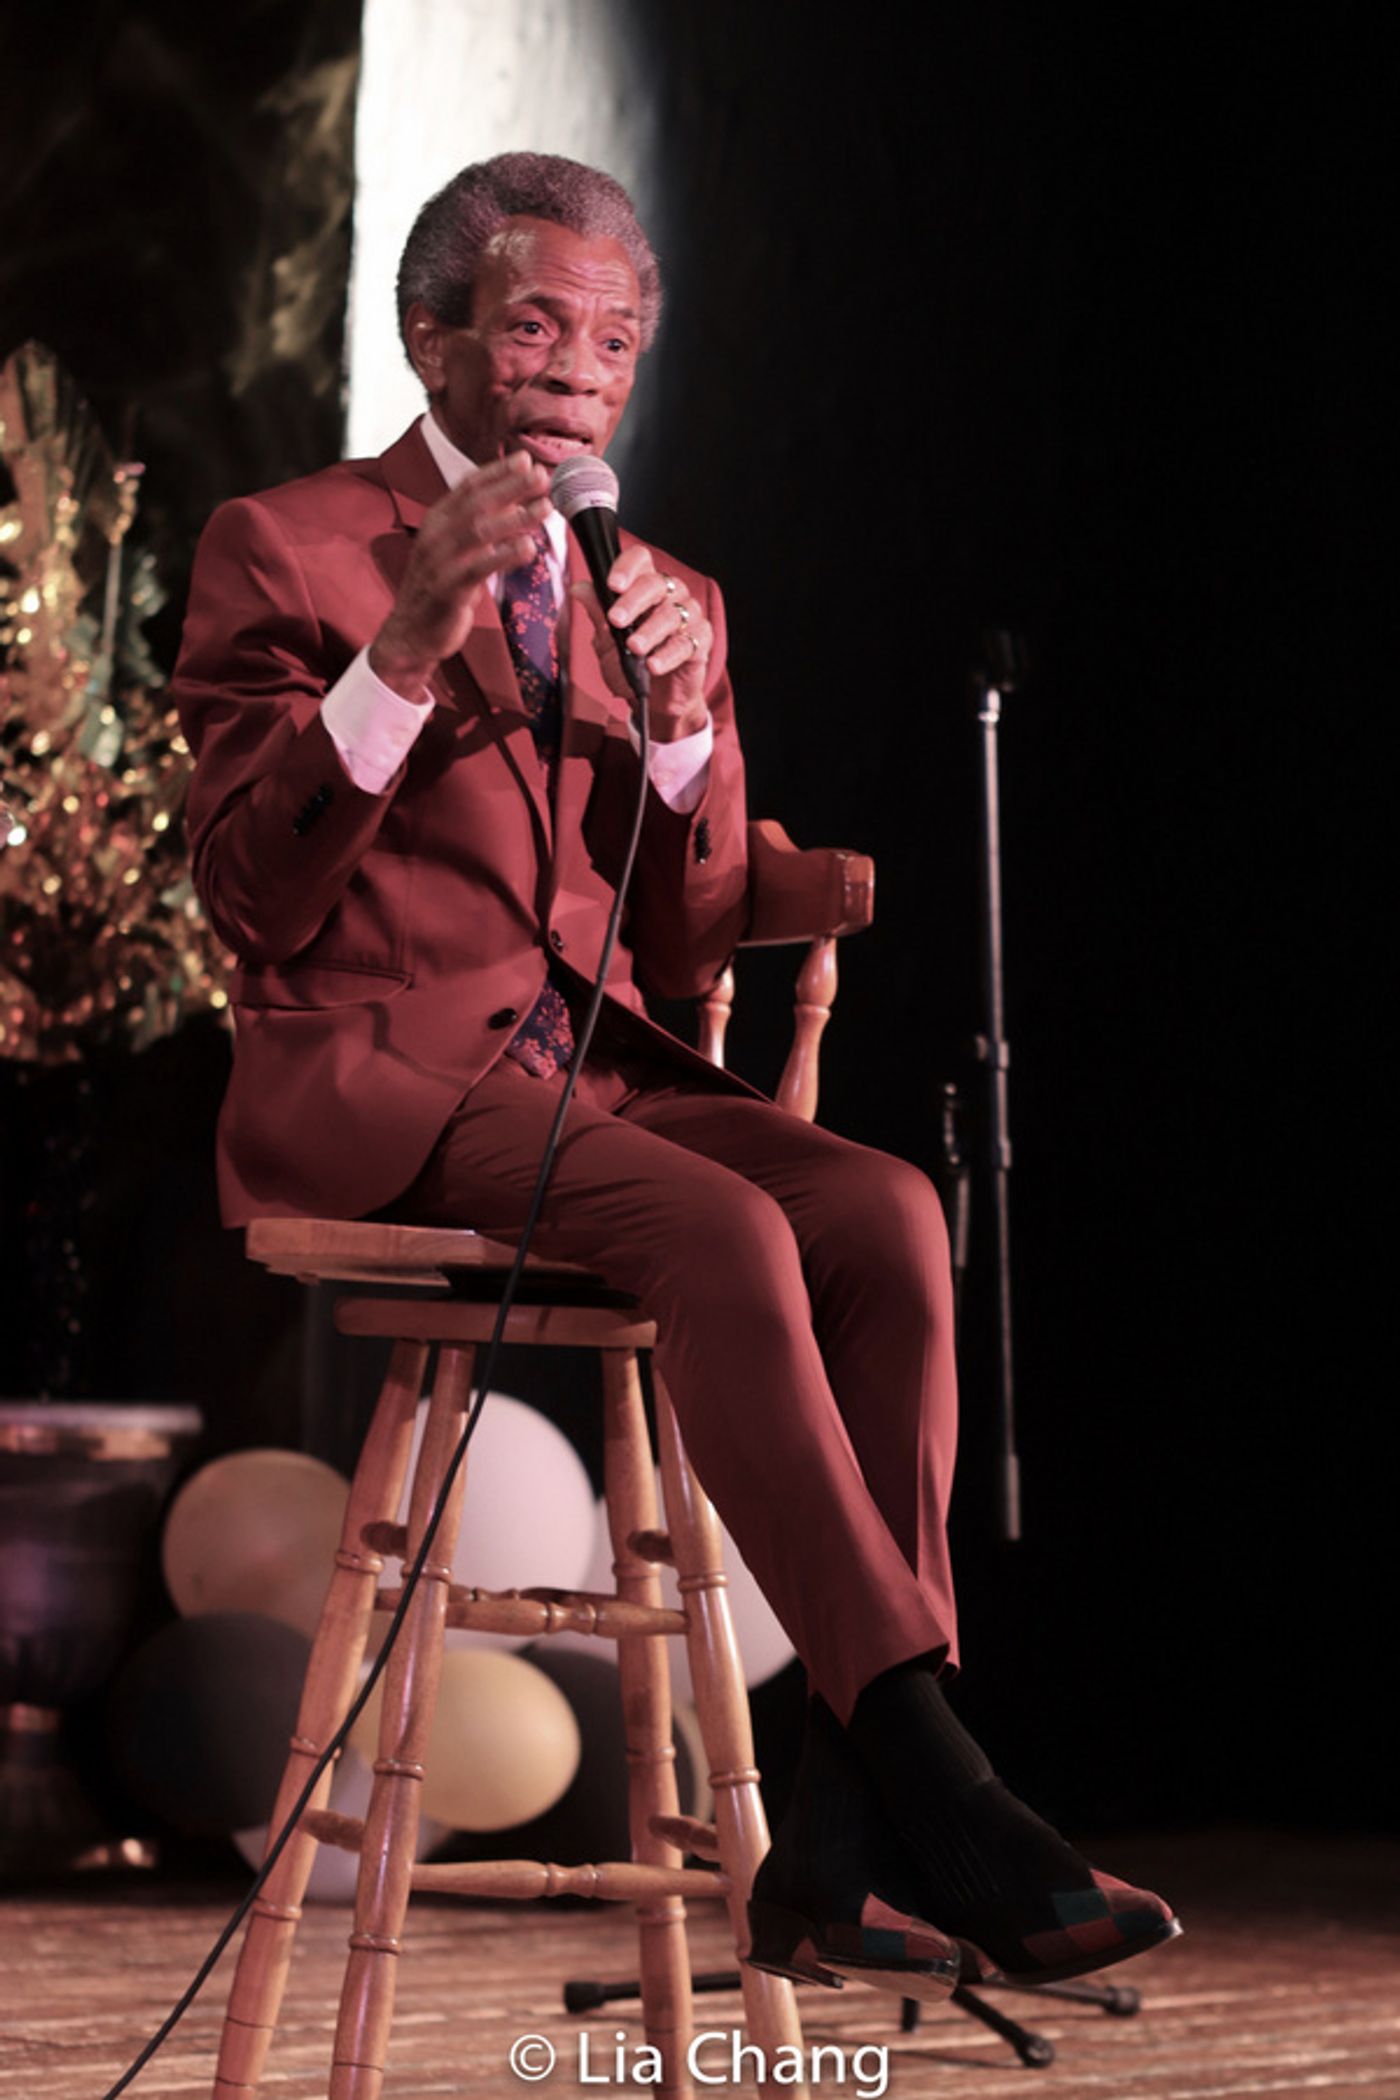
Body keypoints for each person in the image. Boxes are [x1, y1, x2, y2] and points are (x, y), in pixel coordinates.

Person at [174, 150, 1178, 1996]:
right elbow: (248, 891)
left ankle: (840, 1815)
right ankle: (938, 1789)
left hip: (596, 1068)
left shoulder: (664, 583)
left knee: (879, 1207)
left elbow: (691, 942)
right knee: (722, 1228)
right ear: (437, 341)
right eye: (539, 323)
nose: (577, 369)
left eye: (616, 340)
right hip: (394, 1077)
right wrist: (403, 647)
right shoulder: (292, 544)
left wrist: (698, 735)